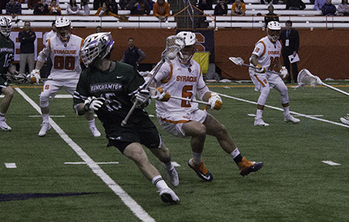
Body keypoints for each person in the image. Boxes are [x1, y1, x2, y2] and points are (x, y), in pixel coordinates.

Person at [73, 33, 180, 204]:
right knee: (138, 155)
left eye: (91, 50)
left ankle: (169, 166)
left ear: (102, 50)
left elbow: (141, 102)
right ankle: (164, 189)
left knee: (164, 154)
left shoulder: (126, 71)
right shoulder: (86, 75)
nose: (87, 54)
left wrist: (144, 97)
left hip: (138, 120)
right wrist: (86, 106)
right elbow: (76, 106)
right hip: (115, 126)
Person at [148, 31, 263, 181]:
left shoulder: (195, 66)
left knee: (220, 130)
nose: (185, 51)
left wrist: (213, 98)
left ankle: (241, 163)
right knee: (200, 130)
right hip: (170, 115)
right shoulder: (167, 65)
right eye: (183, 47)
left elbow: (202, 91)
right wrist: (157, 92)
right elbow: (148, 82)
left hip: (190, 111)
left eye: (188, 48)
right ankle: (197, 163)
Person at [30, 18, 101, 138]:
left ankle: (92, 126)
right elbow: (42, 56)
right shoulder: (51, 41)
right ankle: (46, 122)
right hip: (55, 76)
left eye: (65, 28)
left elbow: (89, 59)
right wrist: (36, 70)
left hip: (74, 77)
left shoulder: (79, 41)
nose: (63, 31)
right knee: (43, 96)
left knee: (86, 101)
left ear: (69, 28)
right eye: (60, 29)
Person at [249, 21, 300, 126]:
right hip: (257, 71)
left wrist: (281, 68)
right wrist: (258, 66)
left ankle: (287, 115)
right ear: (268, 31)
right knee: (265, 90)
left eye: (277, 32)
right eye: (273, 32)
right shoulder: (262, 43)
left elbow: (277, 59)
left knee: (284, 89)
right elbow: (253, 58)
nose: (275, 35)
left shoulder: (278, 44)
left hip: (269, 71)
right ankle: (258, 119)